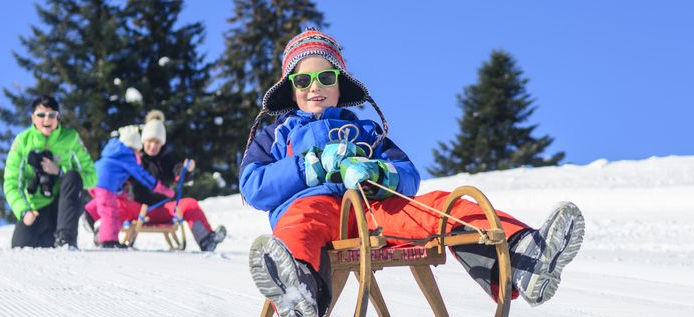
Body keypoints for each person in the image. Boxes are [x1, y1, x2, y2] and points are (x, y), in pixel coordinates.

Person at [241, 28, 586, 316]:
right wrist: (309, 166)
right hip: (313, 207)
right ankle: (298, 292)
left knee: (437, 206)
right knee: (297, 227)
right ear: (292, 88)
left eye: (325, 77)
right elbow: (253, 186)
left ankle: (525, 257)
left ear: (339, 85)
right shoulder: (276, 134)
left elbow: (408, 174)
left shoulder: (365, 131)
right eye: (303, 80)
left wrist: (376, 172)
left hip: (370, 209)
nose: (314, 87)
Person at [83, 110, 227, 251]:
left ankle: (206, 240)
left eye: (157, 142)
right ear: (143, 141)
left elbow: (180, 175)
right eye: (150, 141)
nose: (153, 146)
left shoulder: (167, 160)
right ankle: (104, 233)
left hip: (163, 209)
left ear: (162, 143)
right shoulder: (133, 159)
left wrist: (186, 171)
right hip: (137, 209)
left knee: (190, 204)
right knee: (117, 203)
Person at [3, 95, 97, 249]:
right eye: (41, 115)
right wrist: (23, 211)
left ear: (57, 117)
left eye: (52, 115)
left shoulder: (70, 138)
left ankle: (66, 240)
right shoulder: (22, 141)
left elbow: (92, 178)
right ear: (33, 117)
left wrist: (60, 171)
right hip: (35, 209)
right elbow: (11, 183)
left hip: (62, 208)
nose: (47, 119)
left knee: (73, 176)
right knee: (20, 247)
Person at [88, 125, 175, 248]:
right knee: (110, 211)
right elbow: (144, 177)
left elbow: (115, 178)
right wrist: (164, 190)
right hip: (105, 185)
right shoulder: (127, 157)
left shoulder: (114, 152)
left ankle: (89, 212)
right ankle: (109, 241)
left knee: (107, 203)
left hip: (94, 180)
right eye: (138, 151)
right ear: (134, 147)